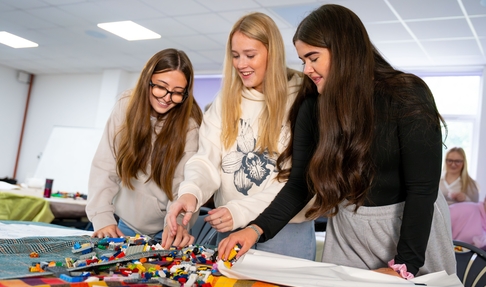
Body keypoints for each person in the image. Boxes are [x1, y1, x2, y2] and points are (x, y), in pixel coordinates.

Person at [218, 4, 456, 278]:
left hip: (411, 228)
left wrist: (405, 265)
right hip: (349, 229)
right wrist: (255, 228)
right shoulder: (311, 105)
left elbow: (422, 191)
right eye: (303, 60)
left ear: (343, 50)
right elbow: (300, 185)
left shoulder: (407, 95)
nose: (306, 69)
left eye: (313, 57)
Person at [163, 12, 317, 260]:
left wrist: (241, 211)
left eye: (250, 55)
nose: (241, 64)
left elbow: (297, 179)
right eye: (235, 56)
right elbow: (207, 158)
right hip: (230, 227)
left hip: (285, 231)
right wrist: (190, 192)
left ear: (272, 52)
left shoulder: (304, 96)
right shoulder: (226, 99)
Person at [86, 48, 203, 248]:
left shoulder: (190, 125)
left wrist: (176, 223)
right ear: (147, 80)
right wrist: (102, 217)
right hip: (120, 224)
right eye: (161, 87)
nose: (167, 98)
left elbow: (184, 183)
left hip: (164, 231)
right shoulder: (126, 106)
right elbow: (105, 165)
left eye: (177, 93)